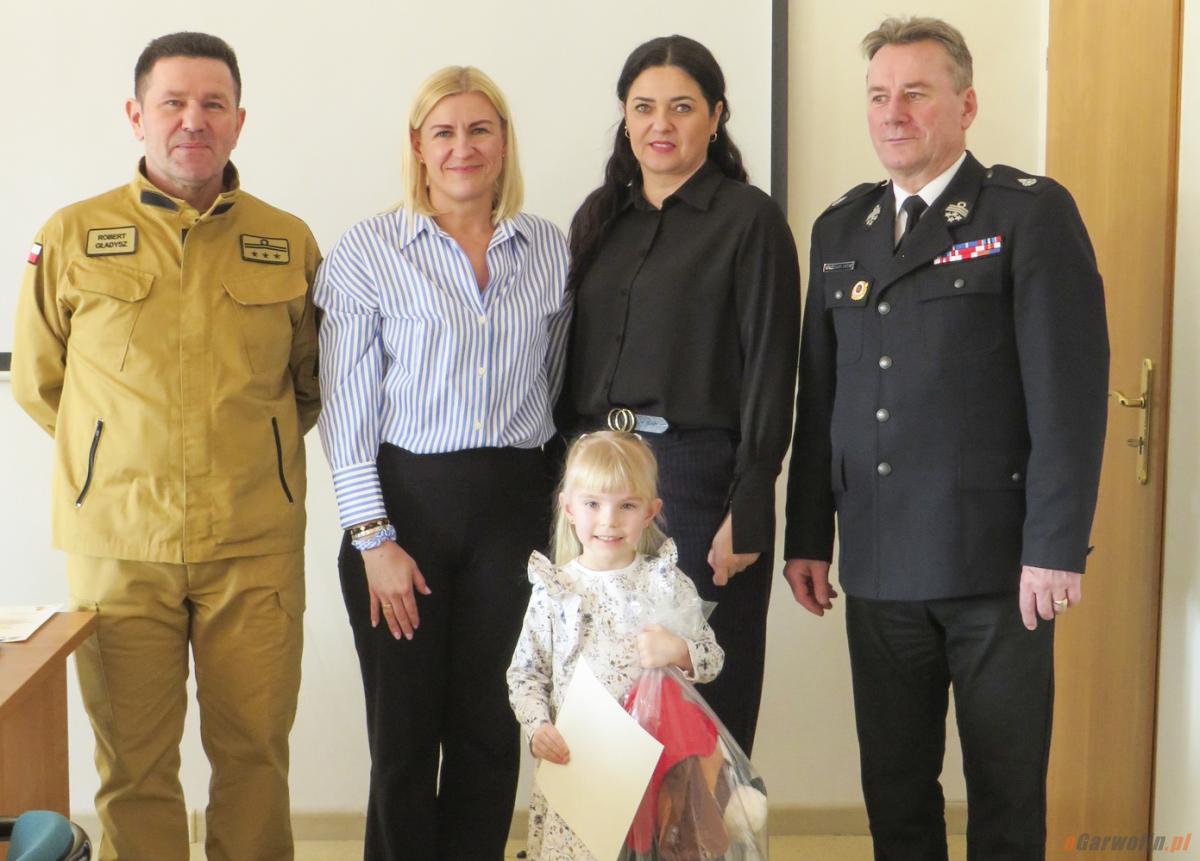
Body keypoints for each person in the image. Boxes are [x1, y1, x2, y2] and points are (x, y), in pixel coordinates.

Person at [783, 16, 1108, 860]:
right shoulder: (840, 230)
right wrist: (808, 535)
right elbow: (821, 395)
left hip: (996, 567)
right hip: (879, 560)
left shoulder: (1027, 214)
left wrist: (1055, 547)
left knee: (1004, 794)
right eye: (879, 96)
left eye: (916, 94)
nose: (893, 113)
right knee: (895, 794)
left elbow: (1068, 397)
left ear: (965, 105)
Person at [10, 32, 320, 861]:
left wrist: (246, 456)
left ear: (239, 120)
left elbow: (309, 385)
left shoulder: (287, 239)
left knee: (255, 756)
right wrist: (114, 456)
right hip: (119, 548)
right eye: (173, 102)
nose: (194, 120)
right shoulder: (72, 235)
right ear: (136, 115)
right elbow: (40, 382)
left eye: (214, 104)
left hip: (253, 543)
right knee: (133, 764)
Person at [314, 66, 571, 860]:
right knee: (403, 737)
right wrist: (373, 539)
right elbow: (346, 411)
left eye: (480, 129)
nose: (464, 147)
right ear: (418, 147)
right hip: (404, 512)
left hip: (513, 509)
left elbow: (555, 381)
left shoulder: (549, 248)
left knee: (491, 728)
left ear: (504, 143)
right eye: (445, 132)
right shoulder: (368, 251)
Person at [560, 35, 800, 755]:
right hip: (598, 479)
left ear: (717, 116)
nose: (660, 124)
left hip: (694, 481)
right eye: (643, 108)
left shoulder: (749, 219)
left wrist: (749, 505)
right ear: (625, 117)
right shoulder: (601, 217)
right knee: (601, 695)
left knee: (698, 704)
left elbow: (772, 368)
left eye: (682, 107)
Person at [507, 431, 724, 860]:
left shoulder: (664, 583)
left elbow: (712, 658)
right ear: (568, 508)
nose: (608, 520)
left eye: (626, 506)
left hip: (652, 763)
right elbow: (525, 674)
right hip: (578, 761)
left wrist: (678, 650)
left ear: (650, 512)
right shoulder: (555, 589)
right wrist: (538, 727)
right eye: (593, 503)